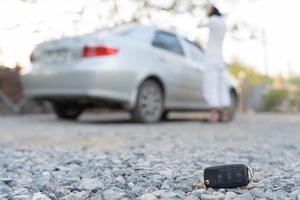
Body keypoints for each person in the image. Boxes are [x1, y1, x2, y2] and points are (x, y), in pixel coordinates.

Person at [198, 4, 231, 123]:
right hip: (220, 59)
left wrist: (205, 15)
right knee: (222, 86)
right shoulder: (223, 23)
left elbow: (199, 25)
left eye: (207, 9)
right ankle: (225, 116)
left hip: (211, 58)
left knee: (210, 85)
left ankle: (213, 117)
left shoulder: (212, 20)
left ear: (211, 10)